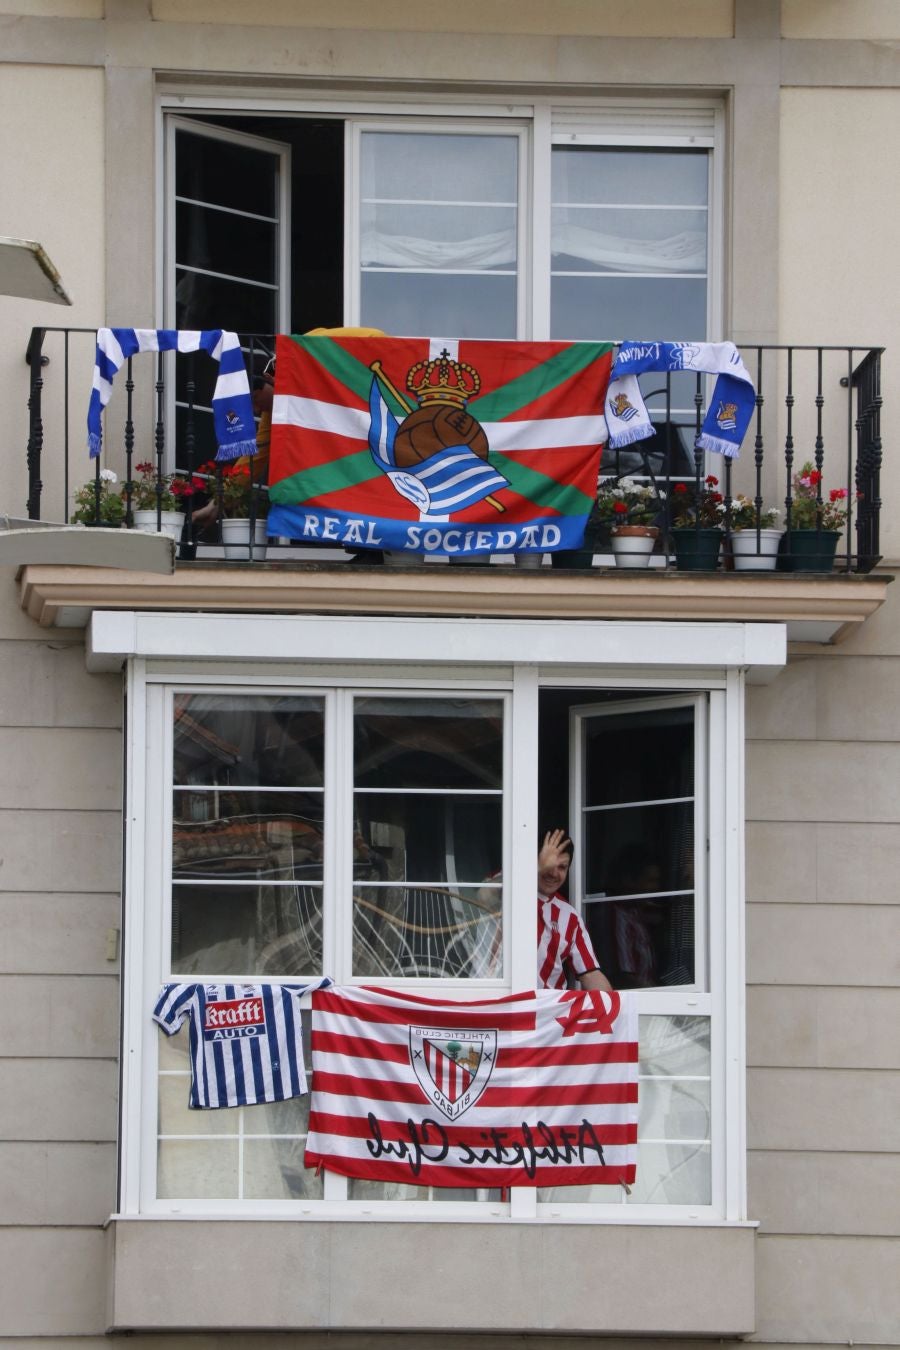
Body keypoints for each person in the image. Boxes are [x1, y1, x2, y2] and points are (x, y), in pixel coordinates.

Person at [537, 828, 612, 992]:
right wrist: (537, 868)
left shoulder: (569, 916)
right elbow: (484, 896)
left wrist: (612, 1003)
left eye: (562, 867)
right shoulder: (505, 888)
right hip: (499, 1001)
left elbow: (590, 974)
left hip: (549, 1006)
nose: (554, 873)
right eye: (549, 865)